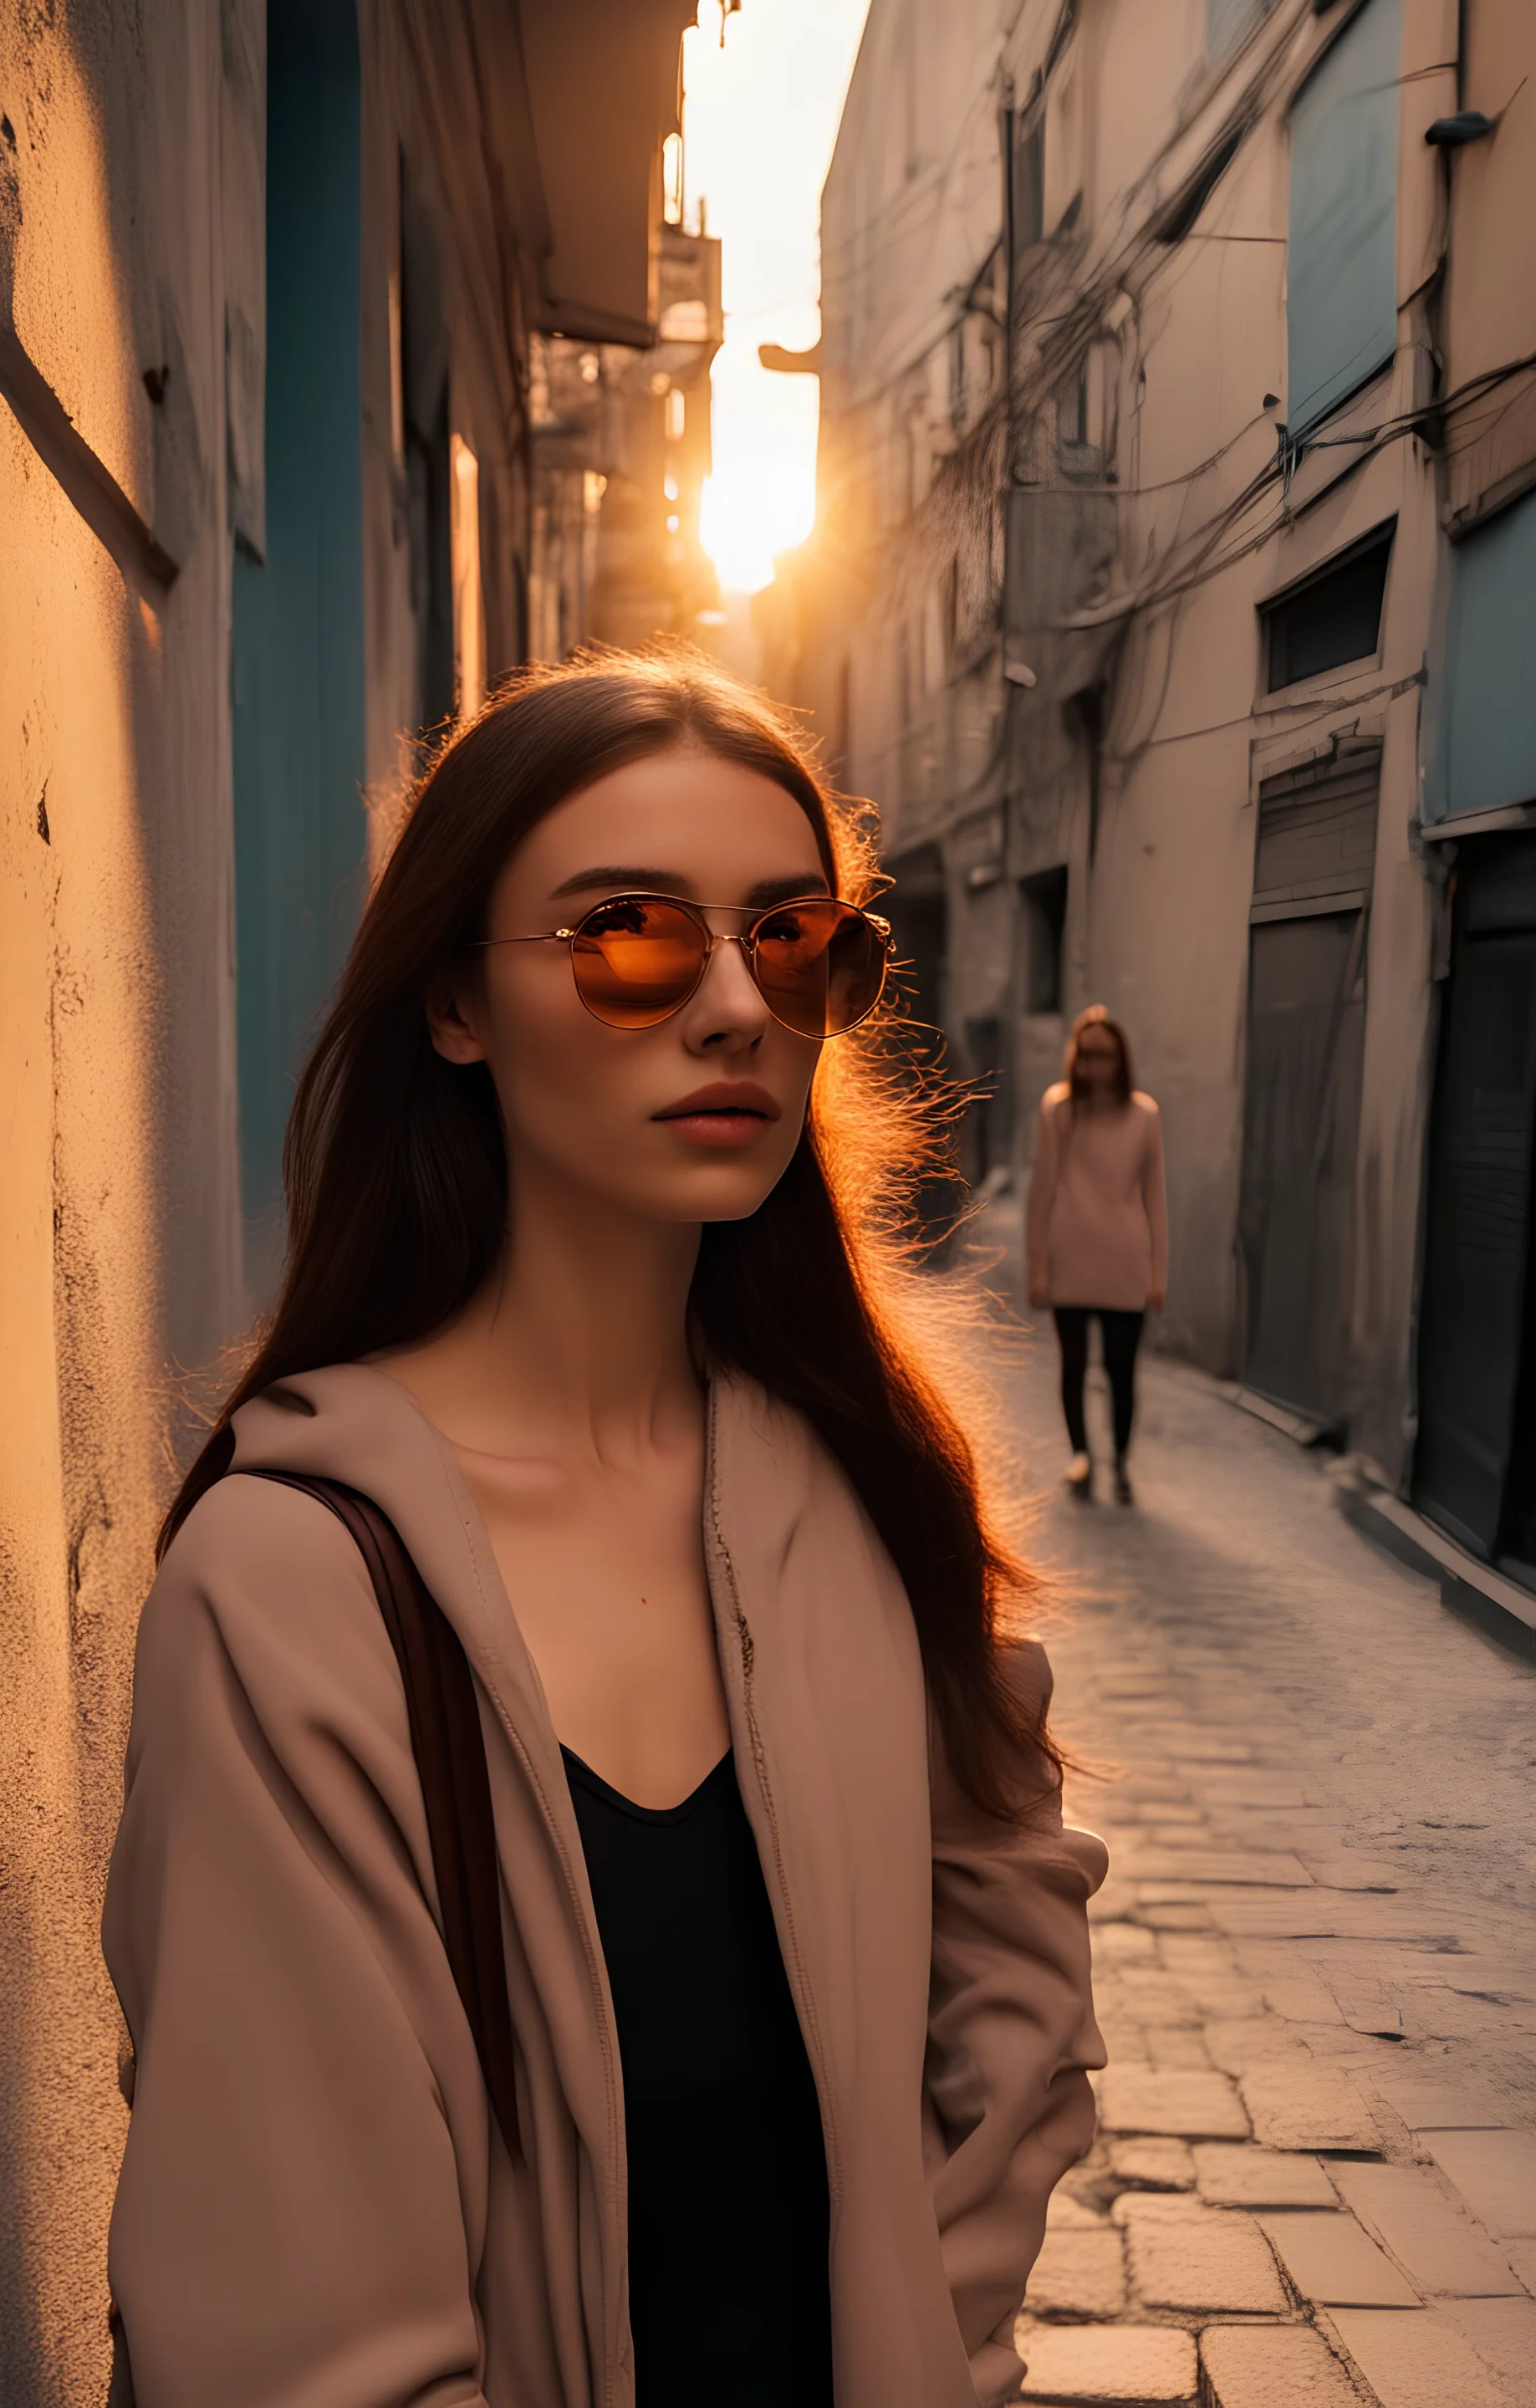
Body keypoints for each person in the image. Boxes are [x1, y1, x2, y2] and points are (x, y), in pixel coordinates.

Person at [101, 652, 1106, 2408]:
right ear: (452, 1006)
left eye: (793, 942)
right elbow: (296, 2343)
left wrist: (936, 2343)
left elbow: (1012, 1968)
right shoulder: (291, 1586)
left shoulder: (863, 1488)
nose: (733, 1007)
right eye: (627, 935)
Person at [1026, 1005, 1166, 1506]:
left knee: (1121, 1370)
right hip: (1071, 1255)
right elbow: (1041, 1191)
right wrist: (1038, 1268)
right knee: (1074, 1365)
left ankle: (1121, 1462)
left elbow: (1155, 1197)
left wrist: (1157, 1274)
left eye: (1104, 1055)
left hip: (1126, 1260)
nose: (1095, 1066)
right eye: (1086, 1055)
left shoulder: (1143, 1114)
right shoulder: (1059, 1109)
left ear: (1120, 1058)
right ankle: (1081, 1455)